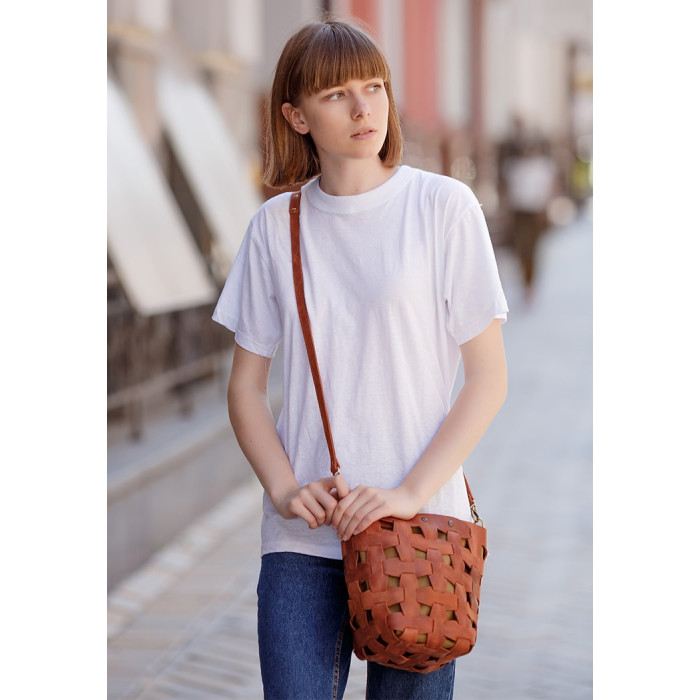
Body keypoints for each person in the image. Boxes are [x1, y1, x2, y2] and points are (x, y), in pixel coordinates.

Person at [213, 18, 508, 700]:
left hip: (422, 530)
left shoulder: (442, 207)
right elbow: (246, 388)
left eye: (374, 87)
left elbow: (488, 379)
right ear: (297, 116)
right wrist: (285, 489)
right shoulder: (276, 227)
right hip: (305, 540)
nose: (363, 108)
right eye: (336, 94)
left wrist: (408, 493)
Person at [501, 136, 558, 303]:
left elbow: (550, 187)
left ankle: (530, 283)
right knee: (521, 248)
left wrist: (546, 207)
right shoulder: (513, 167)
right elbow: (507, 189)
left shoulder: (543, 166)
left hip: (535, 212)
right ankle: (524, 281)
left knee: (532, 249)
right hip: (519, 212)